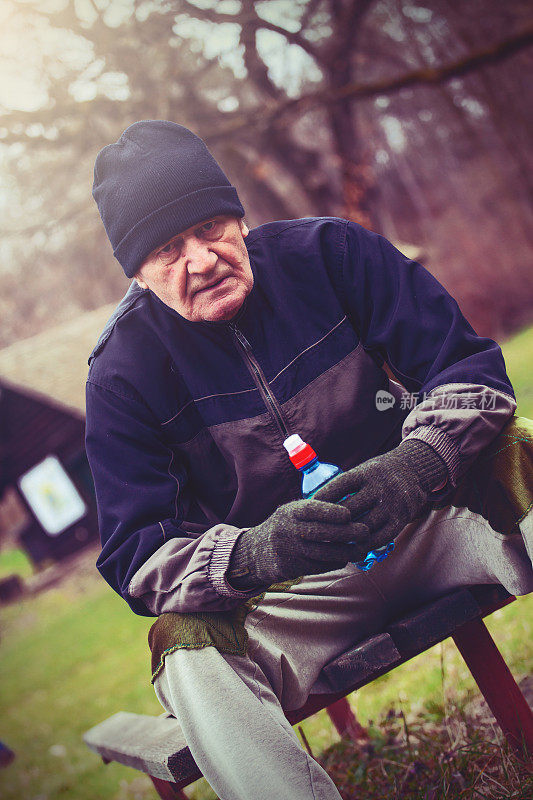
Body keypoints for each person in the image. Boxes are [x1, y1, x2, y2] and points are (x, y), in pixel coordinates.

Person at [86, 120, 533, 800]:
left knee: (523, 450)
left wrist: (415, 465)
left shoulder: (331, 253)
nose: (201, 260)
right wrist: (253, 554)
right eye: (168, 250)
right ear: (139, 274)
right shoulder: (120, 372)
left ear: (238, 218)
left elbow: (471, 376)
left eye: (209, 228)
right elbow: (135, 554)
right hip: (293, 601)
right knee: (185, 649)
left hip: (431, 528)